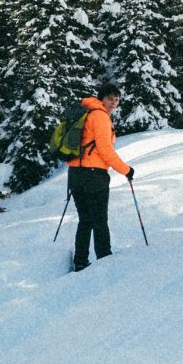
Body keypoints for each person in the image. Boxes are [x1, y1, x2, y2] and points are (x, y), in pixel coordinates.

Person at [69, 81, 133, 272]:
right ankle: (105, 261)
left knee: (85, 220)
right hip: (94, 175)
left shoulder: (86, 112)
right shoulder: (100, 116)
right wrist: (126, 170)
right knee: (99, 220)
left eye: (116, 99)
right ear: (101, 99)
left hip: (75, 174)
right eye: (109, 98)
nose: (113, 103)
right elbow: (105, 150)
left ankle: (80, 261)